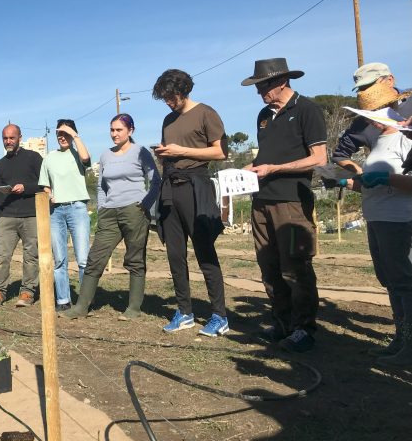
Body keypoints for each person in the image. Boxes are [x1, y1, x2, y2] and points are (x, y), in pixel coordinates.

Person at [241, 58, 327, 353]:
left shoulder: (307, 110)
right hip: (261, 201)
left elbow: (319, 158)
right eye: (257, 86)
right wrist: (249, 169)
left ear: (282, 81)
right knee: (269, 266)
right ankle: (282, 322)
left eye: (263, 85)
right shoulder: (263, 116)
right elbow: (265, 157)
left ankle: (304, 329)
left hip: (291, 202)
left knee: (295, 267)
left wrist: (275, 169)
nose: (259, 92)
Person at [151, 69, 230, 336]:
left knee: (204, 251)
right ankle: (184, 311)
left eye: (171, 97)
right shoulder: (168, 119)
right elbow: (172, 152)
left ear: (184, 90)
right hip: (170, 187)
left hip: (196, 186)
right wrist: (164, 154)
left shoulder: (206, 112)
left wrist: (181, 151)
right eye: (164, 98)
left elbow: (220, 152)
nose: (168, 102)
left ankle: (219, 315)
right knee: (175, 254)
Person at [61, 113, 160, 320]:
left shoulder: (140, 152)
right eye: (112, 130)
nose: (114, 134)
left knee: (135, 259)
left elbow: (155, 181)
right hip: (109, 213)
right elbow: (101, 185)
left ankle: (134, 309)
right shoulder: (106, 154)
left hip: (134, 211)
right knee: (95, 258)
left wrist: (145, 205)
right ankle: (81, 307)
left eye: (119, 130)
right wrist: (102, 207)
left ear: (130, 131)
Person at [334, 108, 412, 368]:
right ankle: (400, 339)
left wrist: (387, 178)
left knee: (404, 282)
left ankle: (409, 346)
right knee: (390, 281)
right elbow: (375, 186)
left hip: (398, 220)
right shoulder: (379, 142)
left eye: (372, 116)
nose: (368, 121)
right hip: (376, 218)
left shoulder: (405, 139)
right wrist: (349, 183)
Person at [38, 119, 91, 311]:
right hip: (56, 212)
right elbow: (45, 184)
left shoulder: (78, 153)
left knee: (83, 258)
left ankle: (84, 301)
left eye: (65, 133)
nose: (62, 137)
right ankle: (63, 300)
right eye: (59, 134)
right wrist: (49, 193)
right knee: (59, 259)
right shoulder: (49, 158)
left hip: (77, 208)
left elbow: (86, 159)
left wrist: (74, 135)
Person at [0, 124, 43, 308]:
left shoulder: (34, 158)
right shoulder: (0, 165)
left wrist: (25, 187)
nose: (8, 141)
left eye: (12, 138)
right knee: (0, 257)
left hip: (31, 216)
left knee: (31, 256)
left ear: (20, 137)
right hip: (7, 217)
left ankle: (28, 292)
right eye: (5, 138)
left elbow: (44, 184)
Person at [332, 62, 411, 174]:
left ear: (390, 80)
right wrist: (364, 176)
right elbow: (340, 155)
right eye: (362, 88)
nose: (366, 92)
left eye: (371, 85)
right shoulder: (362, 122)